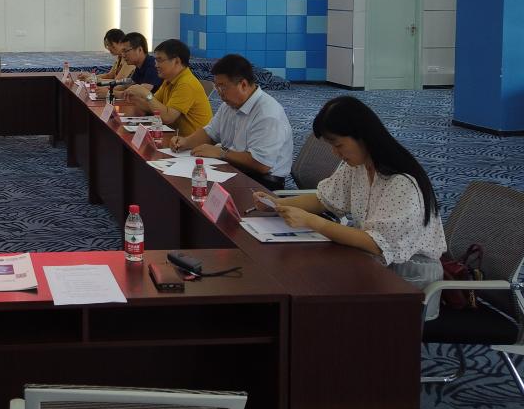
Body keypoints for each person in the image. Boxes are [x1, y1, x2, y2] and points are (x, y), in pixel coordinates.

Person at [257, 96, 447, 319]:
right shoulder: (358, 165)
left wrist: (312, 222)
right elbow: (324, 199)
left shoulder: (402, 182)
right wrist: (276, 204)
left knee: (320, 297)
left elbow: (376, 244)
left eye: (339, 145)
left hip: (408, 281)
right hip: (370, 263)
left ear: (363, 136)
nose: (335, 153)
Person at [170, 53, 293, 189]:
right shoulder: (229, 105)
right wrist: (185, 142)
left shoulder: (267, 114)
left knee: (197, 188)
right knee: (185, 181)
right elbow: (210, 133)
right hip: (234, 169)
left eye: (223, 87)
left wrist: (221, 153)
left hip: (262, 182)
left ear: (243, 85)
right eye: (216, 87)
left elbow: (262, 164)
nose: (219, 93)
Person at [125, 39, 212, 136]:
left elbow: (168, 117)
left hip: (192, 142)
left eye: (159, 60)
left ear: (177, 61)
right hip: (175, 137)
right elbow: (152, 107)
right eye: (155, 60)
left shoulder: (186, 83)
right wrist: (134, 97)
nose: (155, 65)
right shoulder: (169, 79)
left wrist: (146, 94)